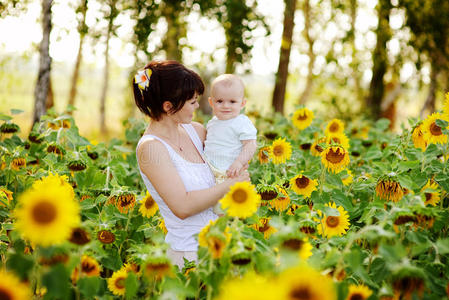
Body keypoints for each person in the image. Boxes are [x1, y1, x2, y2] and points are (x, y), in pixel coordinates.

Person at [133, 61, 249, 269]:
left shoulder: (195, 131)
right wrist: (232, 184)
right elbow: (183, 206)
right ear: (168, 107)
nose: (197, 107)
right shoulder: (151, 148)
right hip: (188, 256)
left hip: (221, 246)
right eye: (193, 102)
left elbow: (227, 159)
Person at [204, 74, 258, 215]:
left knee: (226, 211)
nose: (226, 106)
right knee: (209, 210)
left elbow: (251, 145)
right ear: (211, 102)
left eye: (232, 101)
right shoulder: (212, 123)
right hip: (210, 173)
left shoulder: (241, 122)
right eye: (220, 101)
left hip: (230, 173)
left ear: (242, 103)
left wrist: (239, 163)